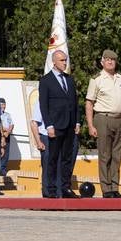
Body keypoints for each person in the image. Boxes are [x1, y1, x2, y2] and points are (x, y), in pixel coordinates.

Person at [85, 49, 121, 198]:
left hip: (120, 119)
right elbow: (89, 103)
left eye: (113, 59)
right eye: (107, 59)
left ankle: (115, 187)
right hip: (103, 118)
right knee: (105, 155)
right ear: (102, 62)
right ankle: (106, 188)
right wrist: (91, 125)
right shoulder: (97, 79)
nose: (110, 62)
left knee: (117, 155)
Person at [37, 50, 77, 198]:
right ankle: (51, 189)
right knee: (53, 159)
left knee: (67, 158)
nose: (65, 63)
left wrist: (77, 121)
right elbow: (44, 105)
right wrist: (49, 125)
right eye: (62, 60)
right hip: (55, 125)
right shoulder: (46, 81)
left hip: (69, 125)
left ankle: (65, 188)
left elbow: (74, 102)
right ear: (54, 61)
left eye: (66, 60)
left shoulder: (70, 80)